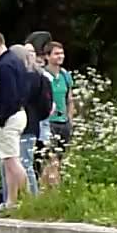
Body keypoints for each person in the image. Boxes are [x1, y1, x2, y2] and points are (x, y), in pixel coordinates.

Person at [0, 31, 28, 210]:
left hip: (10, 117)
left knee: (11, 162)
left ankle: (29, 199)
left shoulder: (5, 65)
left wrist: (1, 119)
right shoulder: (16, 61)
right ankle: (12, 201)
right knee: (9, 161)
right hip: (19, 114)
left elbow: (9, 96)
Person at [14, 44, 51, 197]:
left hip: (24, 124)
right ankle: (29, 196)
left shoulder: (25, 78)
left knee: (23, 163)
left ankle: (28, 197)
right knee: (26, 163)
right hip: (33, 124)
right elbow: (46, 106)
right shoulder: (41, 77)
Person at [43, 41, 74, 187]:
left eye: (61, 53)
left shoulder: (65, 75)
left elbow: (70, 99)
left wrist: (70, 119)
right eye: (56, 53)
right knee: (51, 159)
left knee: (59, 160)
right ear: (47, 56)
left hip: (63, 121)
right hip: (49, 121)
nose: (60, 56)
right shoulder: (43, 75)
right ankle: (53, 190)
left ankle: (45, 190)